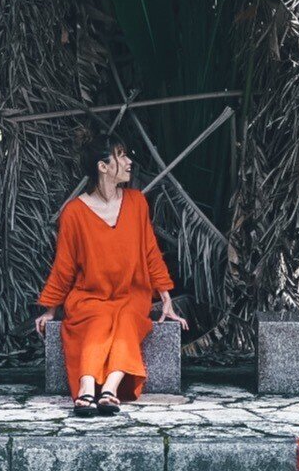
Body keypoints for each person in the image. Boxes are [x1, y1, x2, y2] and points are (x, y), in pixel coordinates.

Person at [35, 130, 187, 417]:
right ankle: (87, 389)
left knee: (127, 319)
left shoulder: (137, 202)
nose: (129, 162)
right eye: (121, 156)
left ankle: (110, 389)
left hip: (132, 294)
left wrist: (166, 299)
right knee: (99, 320)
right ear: (103, 167)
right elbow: (64, 266)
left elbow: (150, 252)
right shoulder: (74, 213)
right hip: (89, 296)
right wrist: (50, 310)